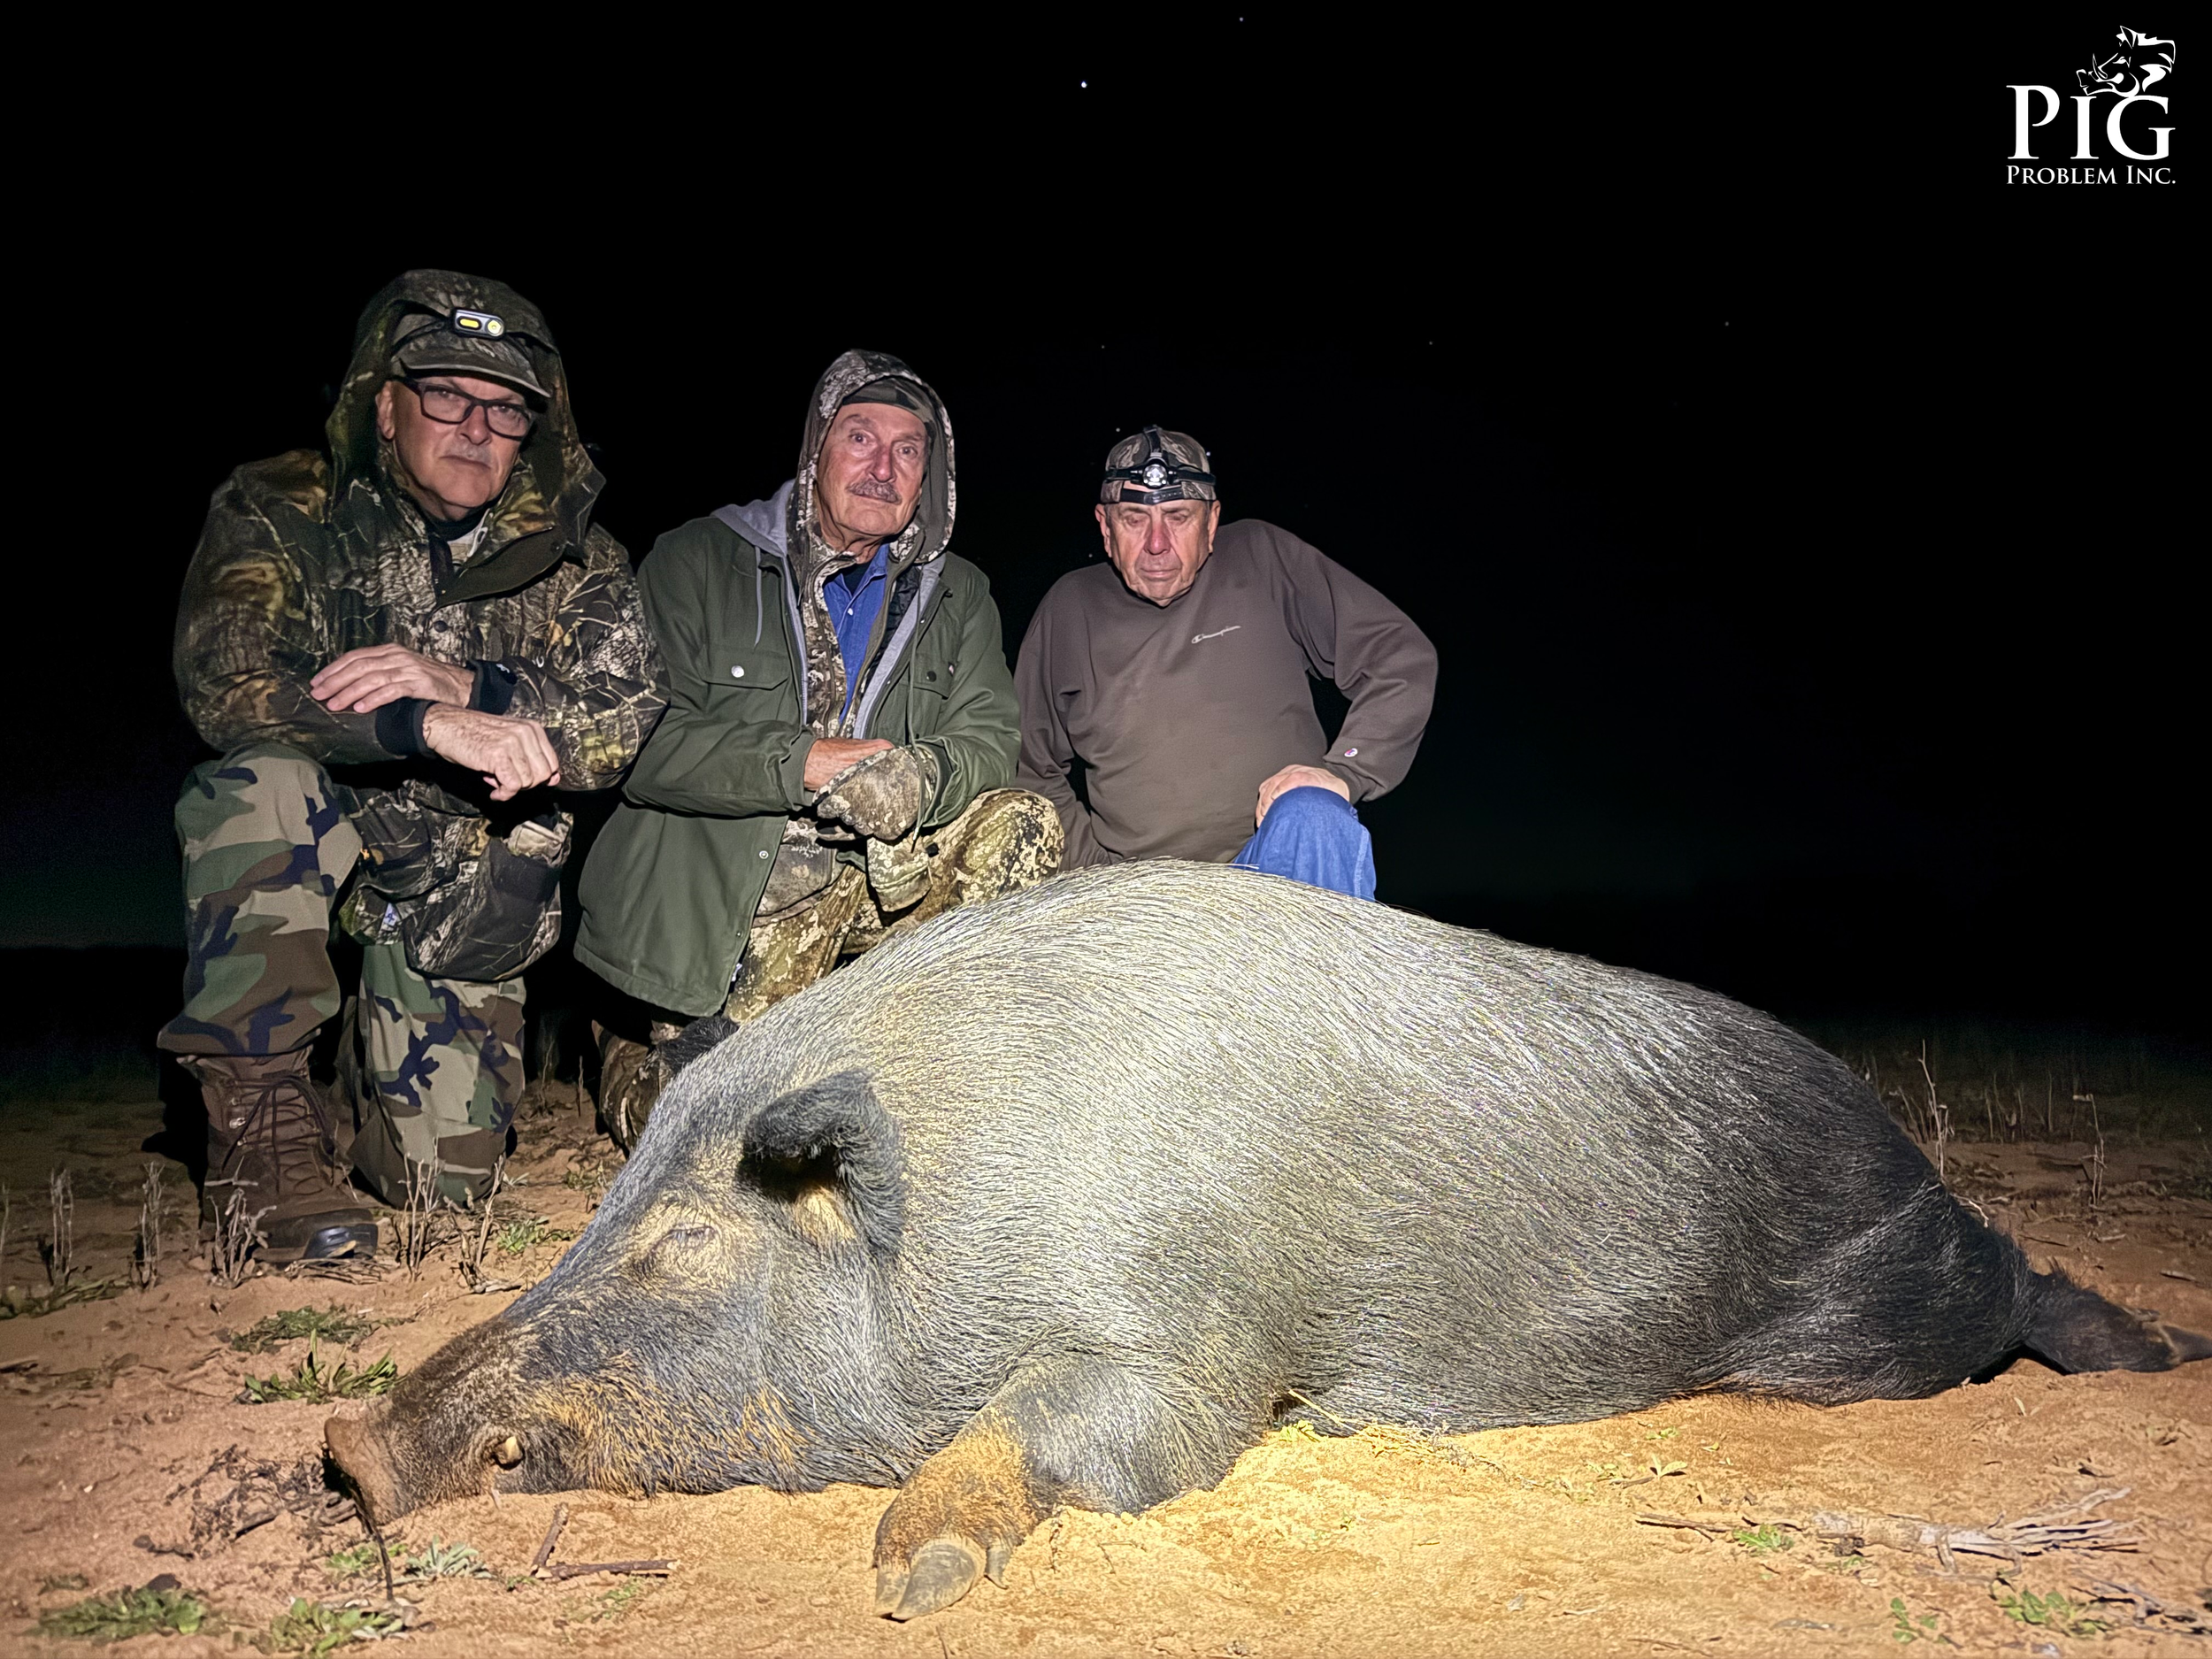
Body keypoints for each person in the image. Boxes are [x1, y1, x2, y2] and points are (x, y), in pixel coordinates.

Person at [164, 270, 664, 1259]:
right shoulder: (281, 506)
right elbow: (227, 685)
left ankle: (361, 1082)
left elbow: (627, 718)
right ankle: (261, 1131)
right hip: (317, 833)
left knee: (445, 1187)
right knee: (256, 784)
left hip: (455, 887)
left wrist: (472, 685)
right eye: (445, 394)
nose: (476, 425)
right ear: (383, 405)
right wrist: (416, 725)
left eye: (506, 408)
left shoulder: (582, 557)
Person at [576, 350, 1060, 1146]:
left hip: (876, 888)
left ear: (929, 475)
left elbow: (987, 736)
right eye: (860, 438)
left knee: (1025, 822)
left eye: (908, 450)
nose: (883, 467)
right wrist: (801, 762)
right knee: (725, 1140)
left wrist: (918, 773)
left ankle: (927, 1067)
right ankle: (636, 1050)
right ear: (815, 452)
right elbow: (637, 742)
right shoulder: (696, 559)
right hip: (735, 893)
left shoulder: (958, 591)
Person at [1015, 426, 1435, 898]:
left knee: (1313, 810)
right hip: (1145, 894)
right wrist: (1095, 873)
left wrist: (1346, 770)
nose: (1157, 543)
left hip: (1273, 863)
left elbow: (1398, 656)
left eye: (1178, 516)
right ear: (1104, 527)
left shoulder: (1263, 558)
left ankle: (1333, 968)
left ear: (1212, 522)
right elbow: (1028, 766)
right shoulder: (1069, 607)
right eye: (1134, 519)